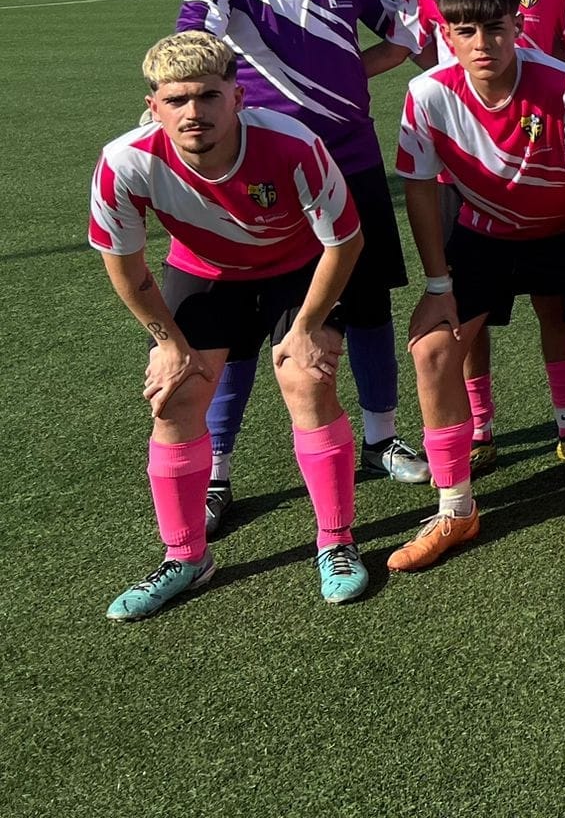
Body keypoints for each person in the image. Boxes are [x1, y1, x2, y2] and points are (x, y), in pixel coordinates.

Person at [177, 0, 427, 539]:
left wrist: (344, 76)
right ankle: (218, 470)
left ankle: (381, 438)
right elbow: (195, 51)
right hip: (261, 169)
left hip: (350, 159)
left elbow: (404, 36)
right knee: (241, 322)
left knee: (369, 304)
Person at [94, 32, 370, 618]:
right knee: (175, 397)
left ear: (237, 97)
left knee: (307, 380)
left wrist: (307, 326)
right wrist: (168, 343)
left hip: (299, 269)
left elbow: (344, 242)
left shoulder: (293, 144)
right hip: (204, 272)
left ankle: (336, 541)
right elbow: (124, 264)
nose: (193, 112)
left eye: (207, 96)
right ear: (153, 106)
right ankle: (186, 557)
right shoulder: (125, 161)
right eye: (176, 100)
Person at [389, 0, 565, 569]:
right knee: (431, 349)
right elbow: (419, 189)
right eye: (465, 31)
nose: (482, 43)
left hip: (564, 233)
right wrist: (437, 285)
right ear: (446, 34)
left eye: (494, 28)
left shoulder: (563, 83)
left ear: (517, 26)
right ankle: (456, 509)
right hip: (484, 236)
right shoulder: (427, 93)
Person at [404, 0, 565, 472]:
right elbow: (418, 52)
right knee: (470, 314)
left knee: (553, 305)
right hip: (462, 171)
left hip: (542, 162)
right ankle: (480, 425)